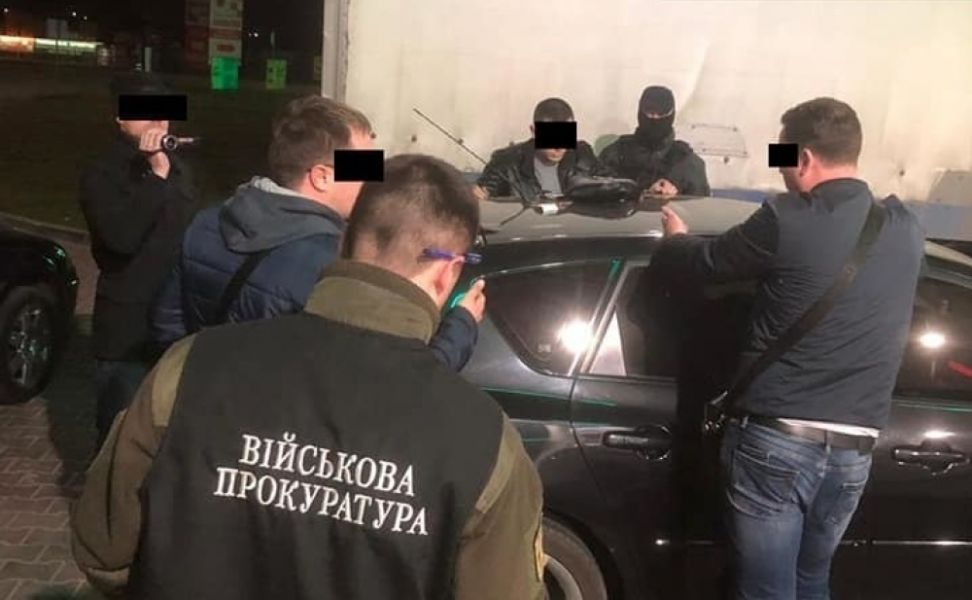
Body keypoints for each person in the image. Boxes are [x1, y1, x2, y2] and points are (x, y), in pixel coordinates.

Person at [71, 154, 546, 600]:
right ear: (449, 272)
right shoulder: (485, 442)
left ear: (342, 242)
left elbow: (103, 549)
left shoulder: (189, 367)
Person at [655, 97, 924, 599]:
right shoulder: (905, 229)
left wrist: (674, 239)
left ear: (803, 158)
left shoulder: (784, 219)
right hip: (854, 453)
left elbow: (706, 263)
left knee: (766, 592)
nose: (780, 170)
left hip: (776, 445)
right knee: (811, 582)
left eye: (782, 157)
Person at [150, 95, 483, 370]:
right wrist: (460, 329)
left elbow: (167, 327)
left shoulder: (207, 222)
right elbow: (384, 383)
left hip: (205, 404)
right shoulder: (335, 264)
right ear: (321, 177)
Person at [79, 72, 197, 447]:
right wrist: (156, 177)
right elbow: (121, 239)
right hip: (128, 328)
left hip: (175, 324)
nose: (157, 121)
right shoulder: (102, 173)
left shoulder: (178, 166)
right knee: (119, 432)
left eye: (163, 112)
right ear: (121, 118)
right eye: (145, 111)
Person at [474, 97, 602, 200]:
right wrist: (479, 198)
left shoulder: (583, 155)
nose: (558, 147)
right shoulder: (506, 162)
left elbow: (608, 186)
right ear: (534, 131)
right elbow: (482, 195)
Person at [599, 85, 710, 197]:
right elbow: (599, 196)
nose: (655, 119)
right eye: (650, 113)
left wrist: (675, 195)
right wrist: (644, 193)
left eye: (662, 114)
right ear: (640, 113)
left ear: (671, 115)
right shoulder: (617, 153)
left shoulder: (688, 162)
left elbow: (701, 204)